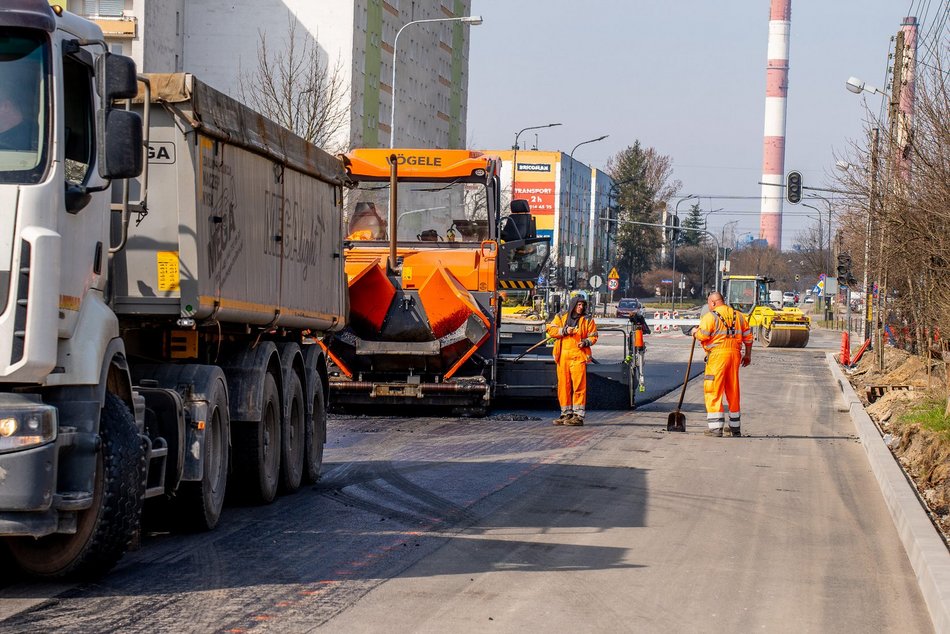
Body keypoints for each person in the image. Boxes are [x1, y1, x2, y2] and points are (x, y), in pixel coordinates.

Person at [693, 291, 753, 437]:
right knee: (733, 389)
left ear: (713, 302)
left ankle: (716, 428)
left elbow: (703, 335)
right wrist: (748, 355)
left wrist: (695, 332)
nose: (709, 306)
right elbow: (748, 337)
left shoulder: (710, 317)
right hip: (735, 355)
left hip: (718, 356)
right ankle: (735, 427)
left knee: (713, 388)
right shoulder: (739, 316)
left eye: (709, 303)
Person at [546, 294, 598, 426]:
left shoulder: (587, 320)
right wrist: (564, 330)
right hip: (562, 356)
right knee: (563, 386)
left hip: (578, 356)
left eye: (583, 305)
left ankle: (578, 416)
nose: (581, 307)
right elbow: (551, 330)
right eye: (579, 305)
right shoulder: (561, 317)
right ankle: (566, 413)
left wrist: (585, 342)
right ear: (573, 305)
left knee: (579, 386)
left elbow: (593, 336)